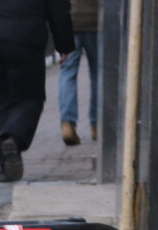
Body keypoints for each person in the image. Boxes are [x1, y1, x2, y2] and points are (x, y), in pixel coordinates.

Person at [0, 0, 75, 182]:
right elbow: (58, 8)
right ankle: (14, 137)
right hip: (25, 38)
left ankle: (5, 166)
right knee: (31, 98)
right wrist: (64, 45)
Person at [59, 0, 98, 145]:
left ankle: (68, 124)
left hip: (71, 19)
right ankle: (97, 124)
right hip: (97, 19)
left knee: (67, 73)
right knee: (98, 73)